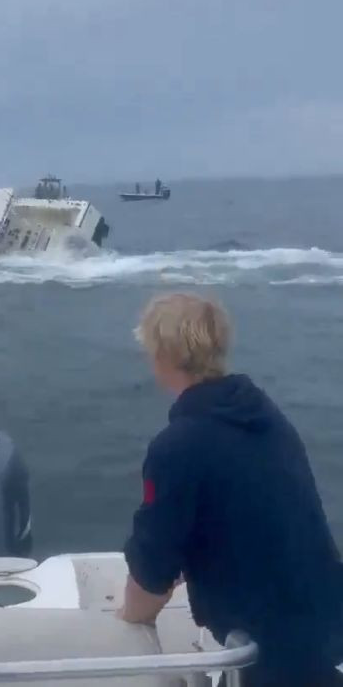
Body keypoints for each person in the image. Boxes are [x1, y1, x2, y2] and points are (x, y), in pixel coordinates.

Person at [120, 293, 343, 687]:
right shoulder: (267, 417)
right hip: (324, 635)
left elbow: (152, 570)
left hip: (268, 659)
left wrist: (127, 619)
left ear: (162, 356)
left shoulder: (177, 447)